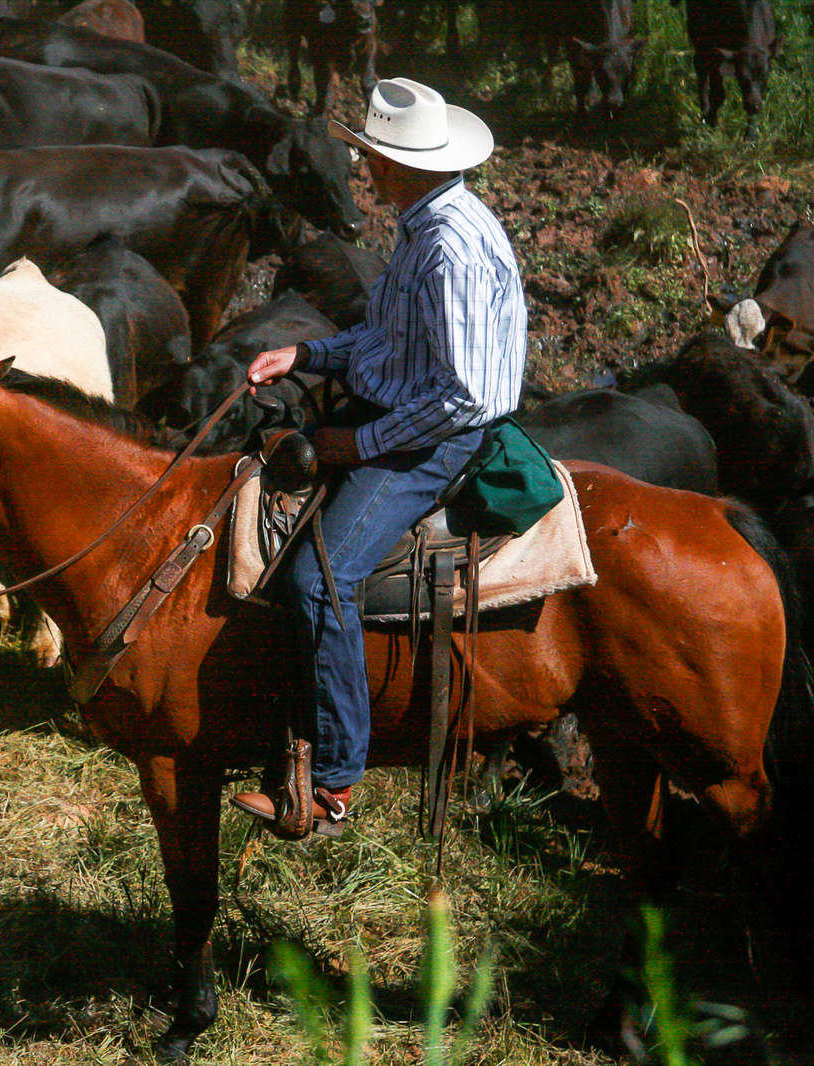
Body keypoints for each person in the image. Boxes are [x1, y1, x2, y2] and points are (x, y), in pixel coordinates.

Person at [229, 78, 528, 837]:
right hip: (405, 409)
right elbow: (389, 342)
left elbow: (460, 396)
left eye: (375, 156)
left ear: (407, 165)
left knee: (320, 578)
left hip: (434, 437)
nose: (366, 168)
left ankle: (332, 784)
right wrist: (306, 354)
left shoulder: (449, 248)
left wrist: (354, 442)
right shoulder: (430, 223)